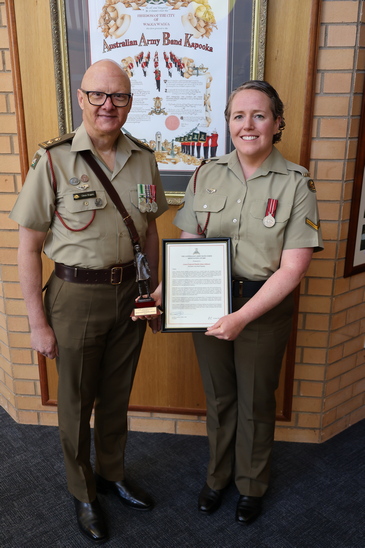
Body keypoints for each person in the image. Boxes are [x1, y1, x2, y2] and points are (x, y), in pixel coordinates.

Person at [9, 59, 168, 544]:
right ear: (80, 98)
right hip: (75, 296)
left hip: (131, 296)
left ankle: (112, 474)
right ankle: (83, 491)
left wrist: (156, 288)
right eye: (98, 95)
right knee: (77, 401)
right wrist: (37, 323)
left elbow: (151, 229)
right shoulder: (53, 160)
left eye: (118, 97)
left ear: (130, 104)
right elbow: (27, 248)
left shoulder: (144, 157)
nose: (107, 105)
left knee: (118, 394)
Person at [168, 81, 323, 524]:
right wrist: (167, 292)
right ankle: (217, 477)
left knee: (255, 400)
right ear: (228, 124)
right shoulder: (206, 173)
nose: (248, 125)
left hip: (262, 305)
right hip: (206, 299)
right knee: (219, 398)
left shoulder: (296, 182)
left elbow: (293, 269)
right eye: (239, 116)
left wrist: (240, 317)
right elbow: (190, 239)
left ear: (276, 123)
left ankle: (251, 484)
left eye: (259, 115)